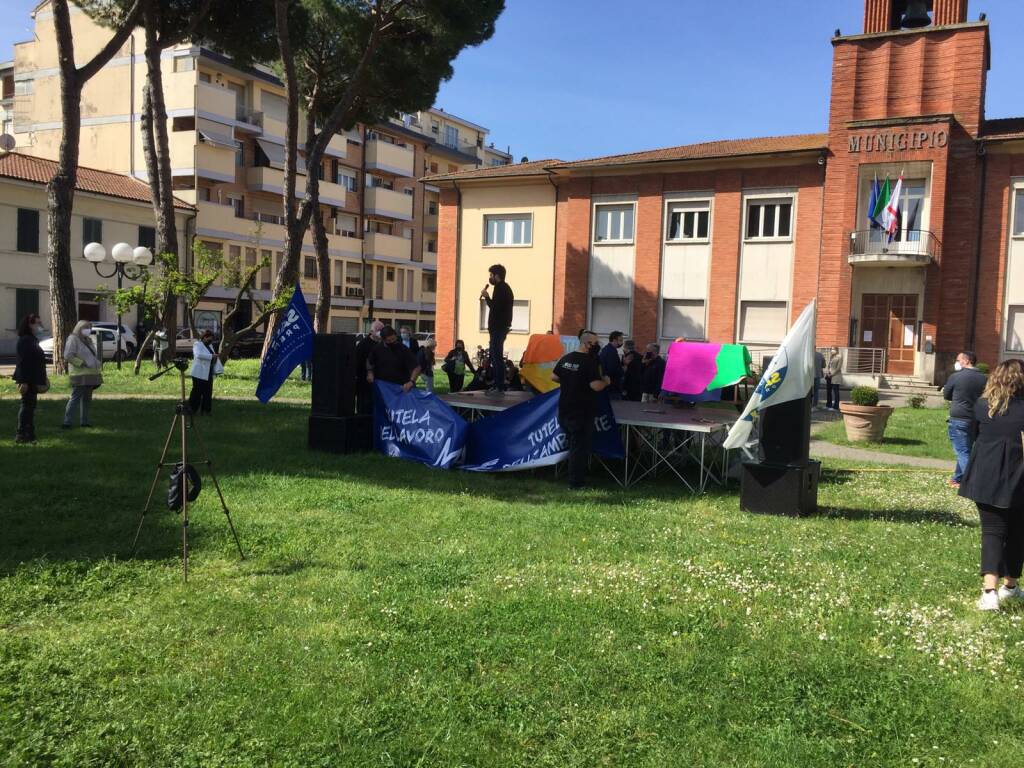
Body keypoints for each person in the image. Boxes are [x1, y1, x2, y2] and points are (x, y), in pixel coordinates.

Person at [957, 361, 1024, 611]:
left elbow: (972, 435)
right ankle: (1010, 586)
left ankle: (990, 592)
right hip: (1019, 477)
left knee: (993, 531)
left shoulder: (983, 405)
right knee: (1017, 533)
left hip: (986, 475)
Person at [551, 330, 610, 489]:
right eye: (595, 343)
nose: (597, 346)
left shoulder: (566, 358)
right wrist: (606, 381)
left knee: (572, 445)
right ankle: (576, 483)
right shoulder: (589, 362)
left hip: (565, 408)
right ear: (587, 344)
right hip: (582, 410)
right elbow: (595, 386)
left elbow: (554, 377)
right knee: (579, 449)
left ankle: (572, 476)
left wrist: (570, 380)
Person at [943, 351, 987, 488]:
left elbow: (947, 395)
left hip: (959, 418)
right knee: (966, 449)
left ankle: (973, 482)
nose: (957, 362)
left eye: (958, 360)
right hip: (976, 418)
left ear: (966, 361)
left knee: (962, 451)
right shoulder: (984, 378)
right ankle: (957, 479)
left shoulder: (956, 377)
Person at [13, 313, 48, 444]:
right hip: (27, 379)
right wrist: (24, 381)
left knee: (30, 407)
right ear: (29, 325)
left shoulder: (32, 340)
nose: (40, 326)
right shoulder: (26, 340)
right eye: (37, 323)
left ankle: (29, 433)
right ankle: (21, 434)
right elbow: (23, 362)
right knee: (26, 406)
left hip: (33, 378)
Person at [62, 320, 103, 429]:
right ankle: (67, 422)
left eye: (89, 327)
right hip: (79, 374)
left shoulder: (88, 340)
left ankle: (84, 421)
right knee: (75, 398)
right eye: (86, 327)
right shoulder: (73, 339)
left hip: (91, 373)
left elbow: (92, 355)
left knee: (87, 399)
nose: (88, 330)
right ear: (79, 328)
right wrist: (81, 363)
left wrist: (96, 363)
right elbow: (68, 355)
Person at [480, 263, 513, 394]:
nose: (490, 278)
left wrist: (487, 297)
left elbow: (495, 307)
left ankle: (499, 386)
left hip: (498, 328)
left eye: (491, 275)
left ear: (497, 276)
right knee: (494, 357)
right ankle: (497, 384)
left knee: (497, 357)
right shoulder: (502, 288)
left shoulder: (501, 288)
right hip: (497, 328)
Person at [366, 326, 420, 392]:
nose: (392, 342)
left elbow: (417, 367)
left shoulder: (403, 349)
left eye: (393, 339)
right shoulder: (377, 349)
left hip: (401, 387)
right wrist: (370, 372)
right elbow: (370, 361)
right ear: (383, 340)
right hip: (383, 387)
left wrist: (411, 382)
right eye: (389, 340)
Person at [188, 329, 222, 415]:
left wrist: (215, 357)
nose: (210, 341)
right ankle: (192, 409)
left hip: (208, 372)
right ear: (204, 338)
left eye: (211, 339)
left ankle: (206, 410)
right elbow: (198, 355)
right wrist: (212, 356)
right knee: (197, 392)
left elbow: (212, 355)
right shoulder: (197, 344)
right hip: (198, 373)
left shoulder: (210, 346)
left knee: (208, 392)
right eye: (209, 339)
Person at [355, 320, 384, 414]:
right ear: (371, 331)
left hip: (381, 380)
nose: (380, 331)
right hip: (365, 381)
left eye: (382, 329)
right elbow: (357, 362)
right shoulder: (363, 344)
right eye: (378, 329)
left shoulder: (385, 343)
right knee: (365, 406)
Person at [599, 331, 625, 398]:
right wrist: (622, 370)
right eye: (620, 340)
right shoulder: (611, 352)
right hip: (612, 385)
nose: (622, 342)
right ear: (614, 340)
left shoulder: (606, 349)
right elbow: (612, 369)